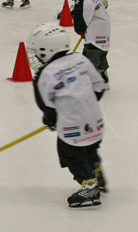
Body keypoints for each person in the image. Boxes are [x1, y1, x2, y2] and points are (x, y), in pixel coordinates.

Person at [29, 23, 108, 209]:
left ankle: (89, 184)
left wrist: (49, 120)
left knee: (71, 154)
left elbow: (46, 106)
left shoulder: (45, 74)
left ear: (46, 49)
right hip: (95, 121)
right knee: (89, 147)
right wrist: (86, 103)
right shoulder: (80, 59)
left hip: (72, 127)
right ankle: (95, 168)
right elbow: (99, 85)